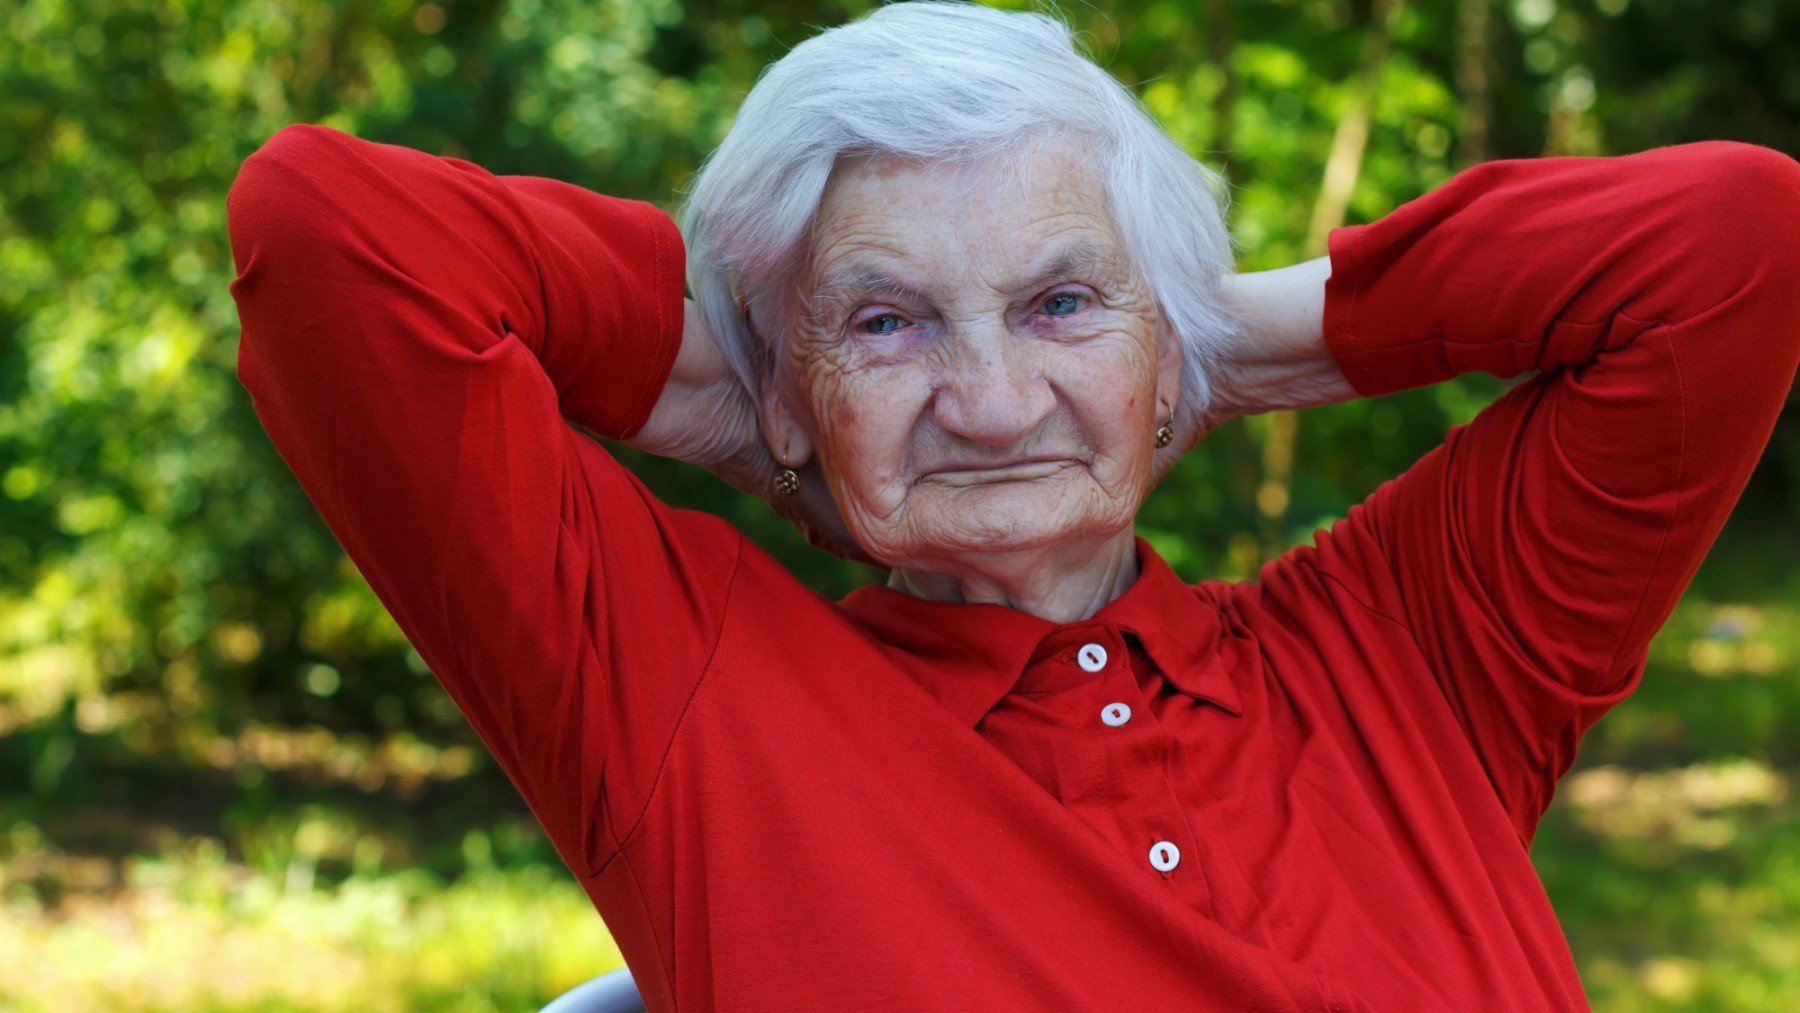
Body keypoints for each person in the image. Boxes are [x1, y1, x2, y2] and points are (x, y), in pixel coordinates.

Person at [223, 2, 1800, 1009]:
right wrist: (734, 395)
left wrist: (1215, 339)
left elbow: (1736, 247)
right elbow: (328, 236)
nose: (987, 403)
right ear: (791, 385)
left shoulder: (1411, 655)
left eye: (1058, 303)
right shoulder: (692, 702)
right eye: (887, 323)